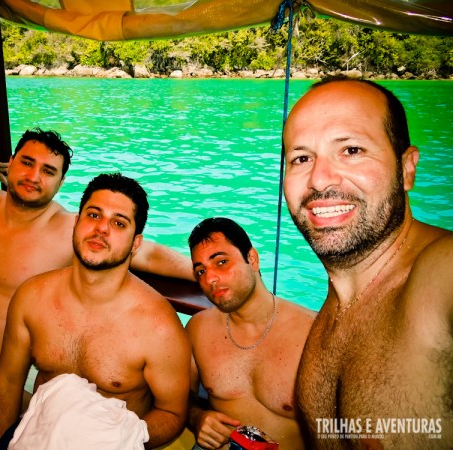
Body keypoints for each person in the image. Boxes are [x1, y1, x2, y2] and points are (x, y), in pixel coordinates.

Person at [0, 128, 194, 450]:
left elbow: (147, 253)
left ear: (60, 183)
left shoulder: (72, 231)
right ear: (9, 164)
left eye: (47, 171)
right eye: (27, 163)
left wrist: (208, 273)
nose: (33, 176)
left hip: (30, 382)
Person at [282, 76, 453, 448]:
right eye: (301, 158)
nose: (319, 179)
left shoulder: (441, 272)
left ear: (407, 168)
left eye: (352, 150)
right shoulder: (335, 309)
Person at [0, 172, 191, 448]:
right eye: (94, 215)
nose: (102, 229)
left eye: (119, 223)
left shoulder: (158, 328)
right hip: (37, 433)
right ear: (76, 223)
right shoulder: (32, 297)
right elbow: (9, 380)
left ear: (136, 244)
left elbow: (172, 413)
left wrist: (115, 441)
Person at [185, 217, 315, 449]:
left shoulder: (312, 333)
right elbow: (183, 396)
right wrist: (197, 418)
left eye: (221, 262)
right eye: (200, 270)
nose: (210, 278)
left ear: (252, 259)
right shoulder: (198, 329)